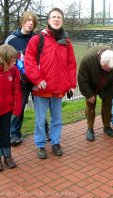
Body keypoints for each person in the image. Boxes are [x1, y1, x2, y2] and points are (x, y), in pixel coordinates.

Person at [24, 8, 77, 159]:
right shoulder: (37, 39)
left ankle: (55, 142)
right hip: (42, 87)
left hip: (58, 88)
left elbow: (71, 65)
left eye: (59, 17)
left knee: (57, 119)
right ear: (48, 20)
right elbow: (29, 61)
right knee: (40, 119)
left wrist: (72, 84)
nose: (56, 19)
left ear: (62, 21)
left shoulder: (66, 43)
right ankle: (40, 144)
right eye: (53, 17)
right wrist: (37, 79)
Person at [5, 11, 50, 146]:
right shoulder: (11, 39)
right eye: (28, 20)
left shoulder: (36, 38)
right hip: (21, 80)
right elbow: (6, 58)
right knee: (19, 106)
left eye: (33, 21)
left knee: (40, 106)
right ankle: (14, 134)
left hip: (35, 79)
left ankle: (45, 131)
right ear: (22, 21)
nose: (30, 23)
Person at [78, 46, 113, 141]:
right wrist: (88, 94)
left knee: (107, 106)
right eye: (105, 68)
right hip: (91, 84)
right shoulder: (88, 60)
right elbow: (82, 79)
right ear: (101, 62)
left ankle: (107, 127)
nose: (107, 71)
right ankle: (90, 129)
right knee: (90, 106)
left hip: (108, 84)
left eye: (110, 70)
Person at [0, 44, 22, 171]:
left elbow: (17, 90)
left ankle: (7, 156)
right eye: (12, 61)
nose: (14, 63)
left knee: (5, 134)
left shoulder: (13, 71)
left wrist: (16, 108)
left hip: (7, 110)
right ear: (4, 60)